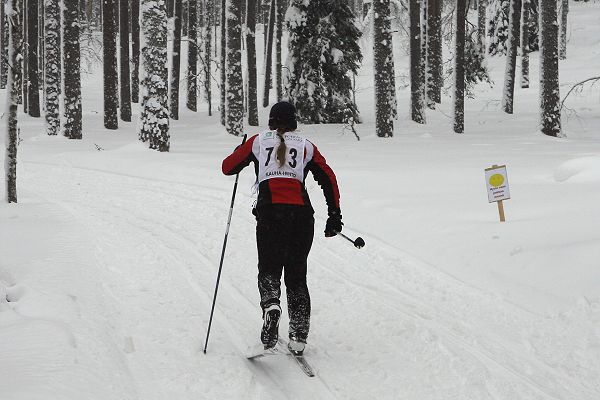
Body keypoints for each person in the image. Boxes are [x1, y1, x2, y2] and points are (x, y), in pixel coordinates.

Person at [221, 101, 343, 355]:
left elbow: (227, 167)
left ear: (271, 121)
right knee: (297, 276)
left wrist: (238, 150)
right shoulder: (307, 146)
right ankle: (298, 335)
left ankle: (271, 306)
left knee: (269, 270)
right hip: (301, 217)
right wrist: (334, 214)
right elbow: (328, 178)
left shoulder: (257, 141)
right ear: (294, 123)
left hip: (271, 214)